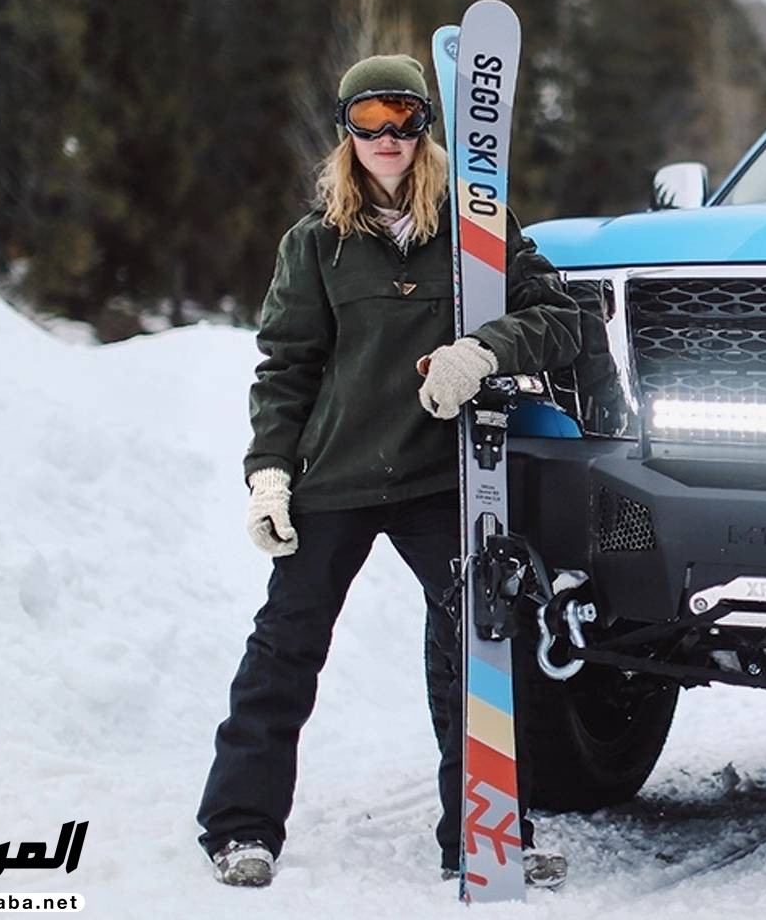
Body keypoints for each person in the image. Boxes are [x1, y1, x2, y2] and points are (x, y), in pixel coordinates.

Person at [196, 53, 581, 888]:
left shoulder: (475, 229)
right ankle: (240, 827)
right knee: (285, 649)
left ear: (424, 128)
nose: (387, 137)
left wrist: (484, 350)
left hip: (440, 479)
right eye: (368, 121)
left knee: (473, 648)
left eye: (402, 118)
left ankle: (484, 835)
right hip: (334, 475)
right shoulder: (317, 244)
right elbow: (286, 367)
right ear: (346, 132)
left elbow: (561, 317)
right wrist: (268, 472)